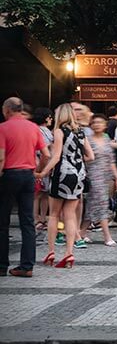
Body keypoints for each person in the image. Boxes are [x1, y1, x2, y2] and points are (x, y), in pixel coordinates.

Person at [35, 103, 94, 269]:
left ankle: (52, 251)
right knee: (70, 215)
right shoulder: (81, 132)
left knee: (54, 215)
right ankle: (69, 253)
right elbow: (91, 156)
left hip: (61, 175)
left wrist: (43, 173)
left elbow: (55, 157)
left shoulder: (59, 131)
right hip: (78, 175)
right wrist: (76, 161)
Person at [0, 97, 50, 277]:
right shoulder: (33, 127)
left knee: (3, 222)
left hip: (9, 175)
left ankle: (1, 265)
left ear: (7, 110)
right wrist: (37, 171)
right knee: (28, 222)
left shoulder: (3, 128)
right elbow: (46, 154)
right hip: (28, 175)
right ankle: (27, 266)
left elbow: (1, 157)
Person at [82, 114, 117, 247]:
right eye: (95, 122)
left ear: (105, 125)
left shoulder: (106, 138)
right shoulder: (87, 139)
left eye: (100, 122)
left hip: (106, 176)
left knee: (93, 205)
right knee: (103, 204)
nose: (97, 124)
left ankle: (82, 232)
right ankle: (107, 236)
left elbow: (111, 160)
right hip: (93, 175)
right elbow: (82, 157)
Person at [31, 107, 53, 232]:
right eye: (50, 117)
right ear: (46, 118)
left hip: (42, 163)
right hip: (42, 164)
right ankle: (39, 219)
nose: (51, 119)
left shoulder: (39, 130)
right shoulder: (43, 131)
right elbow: (44, 150)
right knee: (40, 193)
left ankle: (40, 219)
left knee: (41, 193)